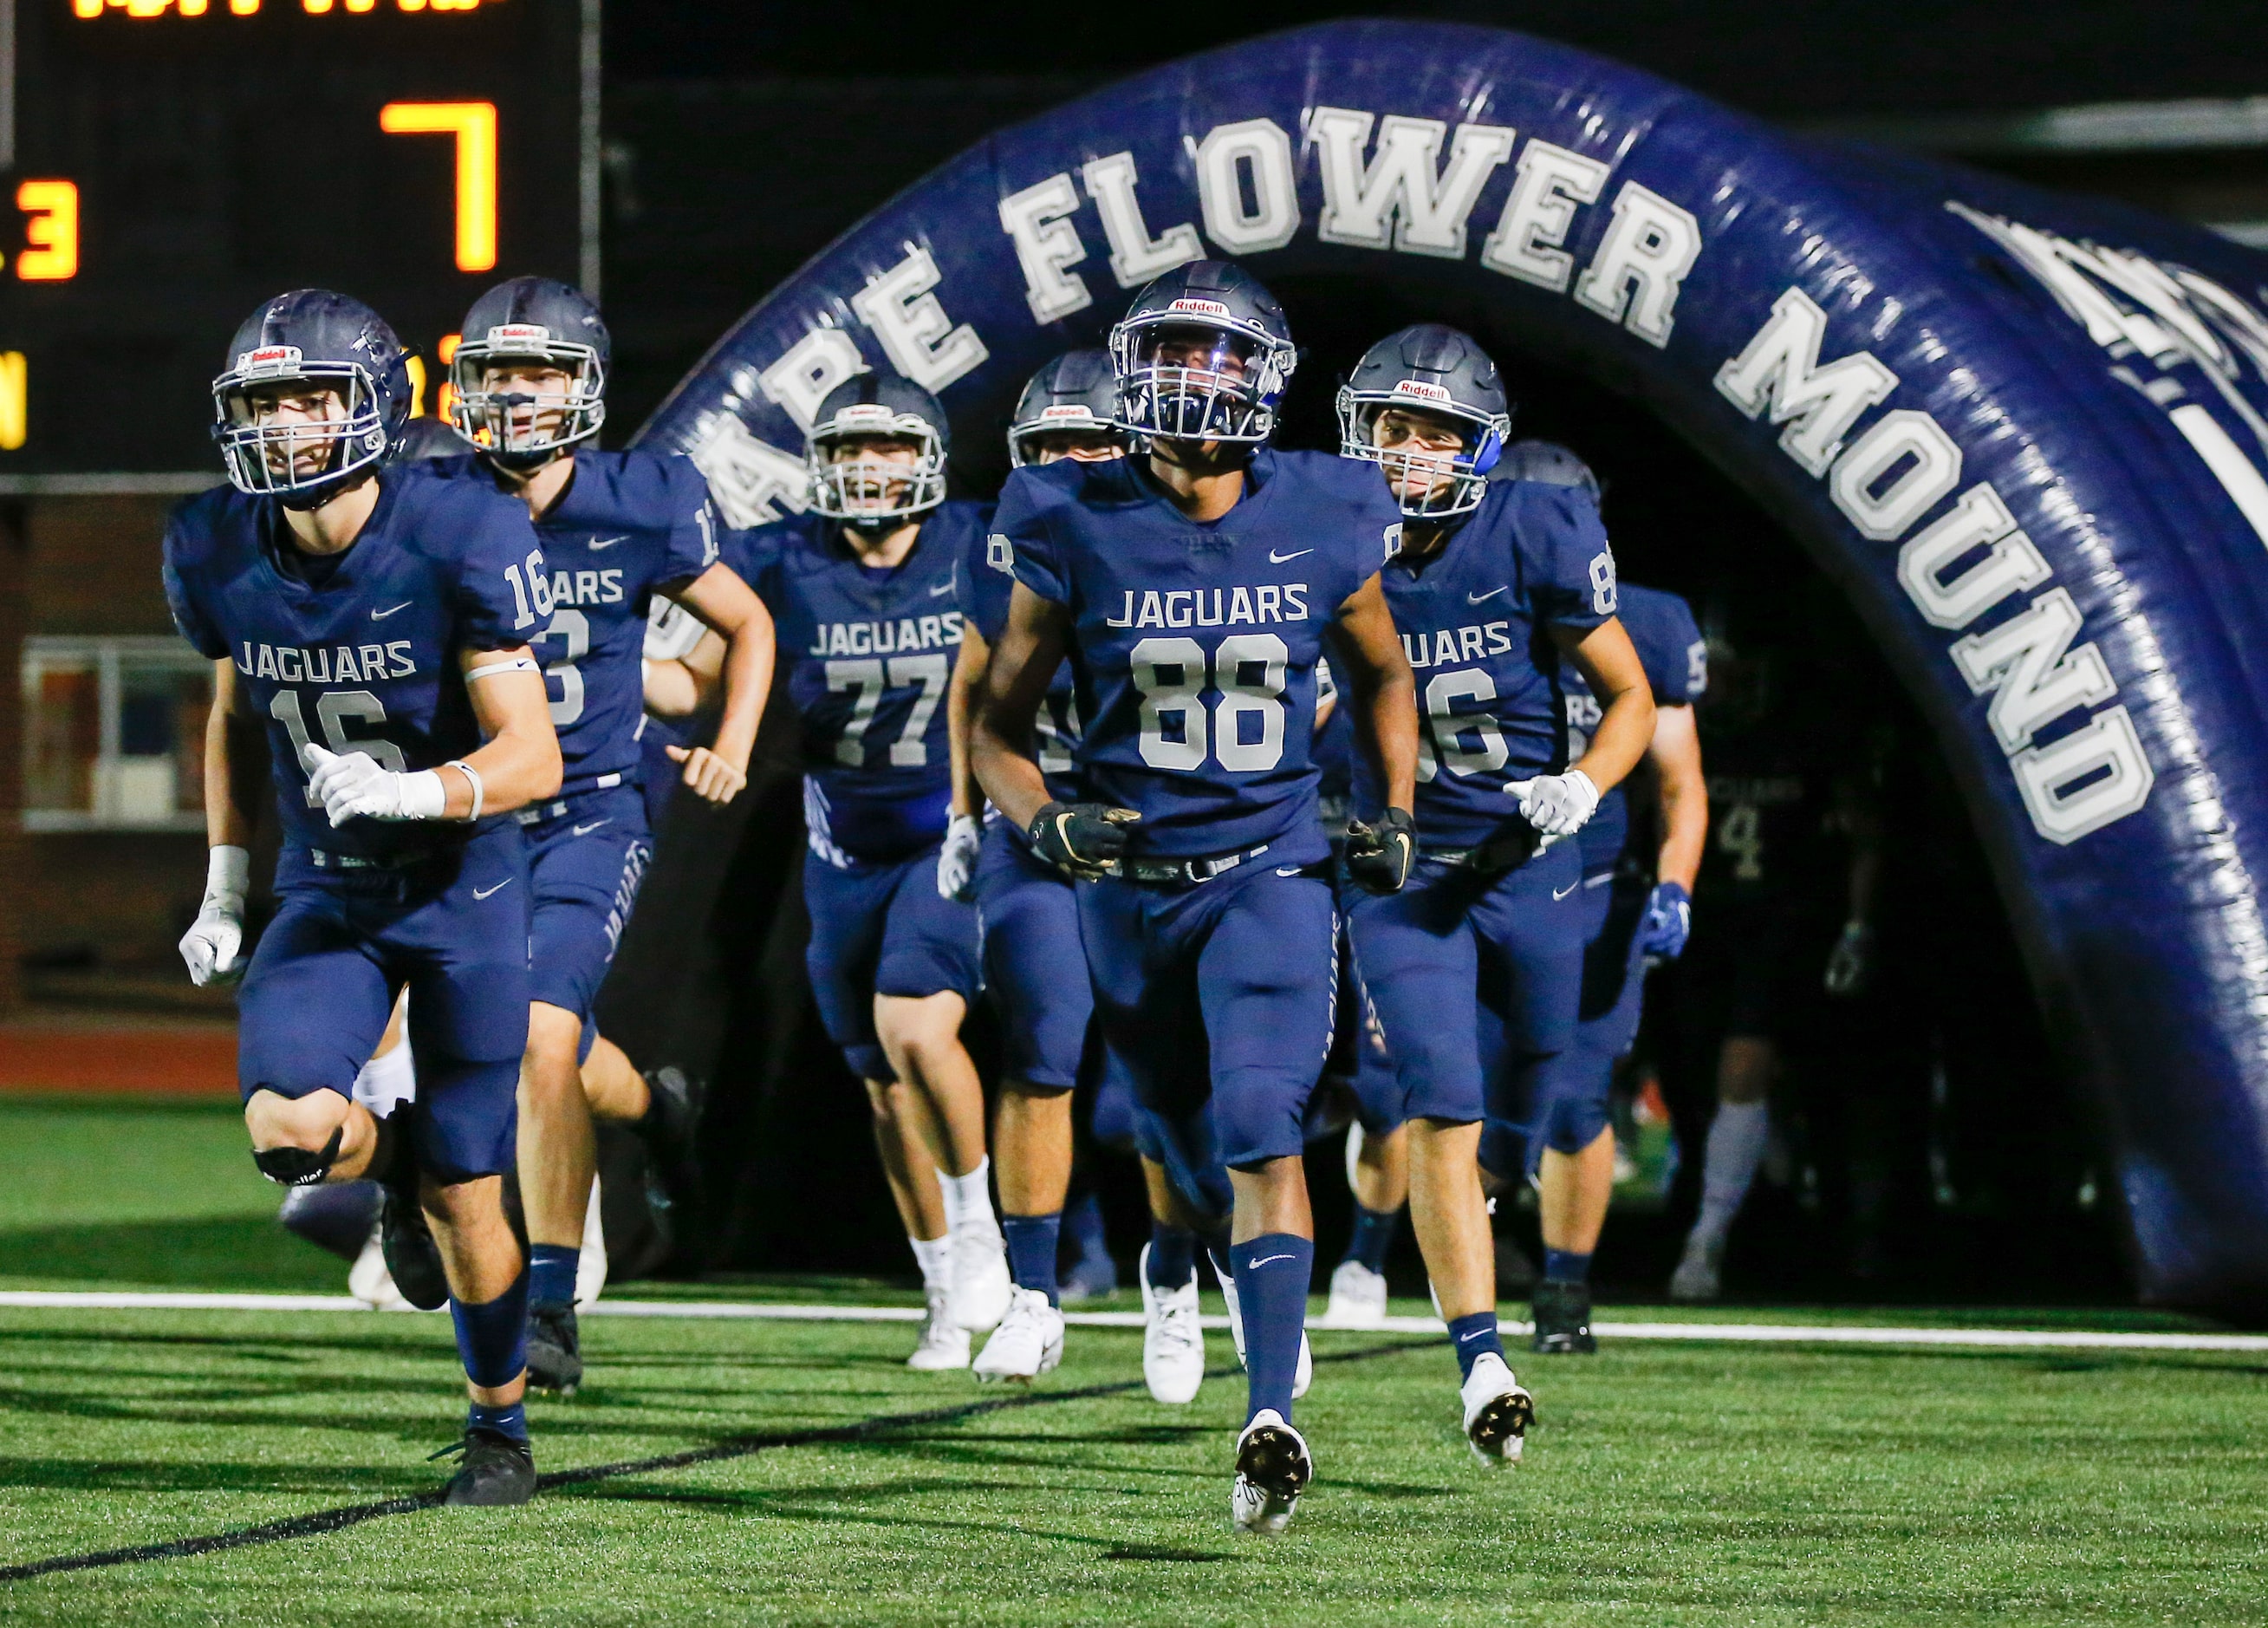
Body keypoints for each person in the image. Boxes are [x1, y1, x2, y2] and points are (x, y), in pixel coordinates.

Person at [972, 259, 1420, 1534]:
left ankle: (1269, 1410)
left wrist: (1389, 808)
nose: (1192, 379)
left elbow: (1383, 674)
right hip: (1129, 884)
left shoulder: (1331, 506)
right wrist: (1040, 817)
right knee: (1170, 1136)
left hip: (1269, 867)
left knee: (1261, 1123)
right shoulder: (1066, 512)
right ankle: (1176, 1256)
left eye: (1220, 356)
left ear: (1267, 379)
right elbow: (999, 728)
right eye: (1170, 351)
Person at [167, 289, 561, 1505]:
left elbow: (531, 753)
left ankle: (499, 1424)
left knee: (472, 1183)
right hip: (328, 892)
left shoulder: (457, 531)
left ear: (374, 405)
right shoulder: (213, 542)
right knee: (288, 1128)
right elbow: (233, 714)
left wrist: (424, 793)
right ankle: (380, 1171)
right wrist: (227, 876)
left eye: (308, 397)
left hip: (461, 889)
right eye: (262, 401)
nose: (283, 426)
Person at [438, 276, 774, 1392]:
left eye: (539, 373)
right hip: (468, 809)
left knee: (537, 1038)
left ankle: (548, 1301)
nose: (517, 395)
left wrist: (727, 729)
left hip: (586, 810)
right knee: (477, 1039)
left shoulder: (643, 498)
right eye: (496, 372)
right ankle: (655, 1106)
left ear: (583, 386)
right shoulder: (430, 502)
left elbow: (747, 621)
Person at [1333, 322, 1650, 1466]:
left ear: (1483, 445)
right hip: (1409, 871)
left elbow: (1631, 698)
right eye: (1393, 428)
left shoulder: (1537, 527)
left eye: (1437, 432)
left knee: (1530, 1095)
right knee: (1440, 1102)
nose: (1411, 453)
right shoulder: (1324, 534)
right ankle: (1482, 1359)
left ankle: (1498, 1213)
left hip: (1531, 859)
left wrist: (1581, 779)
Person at [701, 374, 1005, 1369]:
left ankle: (978, 1230)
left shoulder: (977, 541)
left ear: (926, 457)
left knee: (914, 1025)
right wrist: (596, 684)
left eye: (887, 448)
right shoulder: (783, 560)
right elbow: (694, 672)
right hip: (840, 849)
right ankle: (939, 1293)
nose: (868, 469)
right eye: (849, 450)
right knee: (881, 1089)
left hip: (948, 836)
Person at [938, 350, 1130, 1384]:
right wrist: (972, 816)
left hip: (1167, 826)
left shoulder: (1185, 530)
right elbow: (976, 693)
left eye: (1084, 441)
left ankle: (1185, 1272)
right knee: (1043, 1042)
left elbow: (1311, 676)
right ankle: (1031, 1292)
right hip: (1042, 813)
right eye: (1046, 443)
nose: (1061, 461)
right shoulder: (1003, 540)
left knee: (1173, 1083)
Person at [1495, 440, 1709, 1353]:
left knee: (1578, 1099)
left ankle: (1563, 1289)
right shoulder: (1443, 603)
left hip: (1591, 883)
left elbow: (1679, 784)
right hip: (1475, 871)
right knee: (1450, 1087)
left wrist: (1674, 886)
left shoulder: (1647, 623)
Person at [1664, 631, 1871, 1300]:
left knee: (1744, 1070)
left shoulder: (1807, 739)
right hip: (1703, 921)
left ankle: (1708, 1238)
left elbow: (1863, 830)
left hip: (1778, 922)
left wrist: (1855, 924)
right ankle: (1755, 1185)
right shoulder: (1685, 731)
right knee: (1697, 1082)